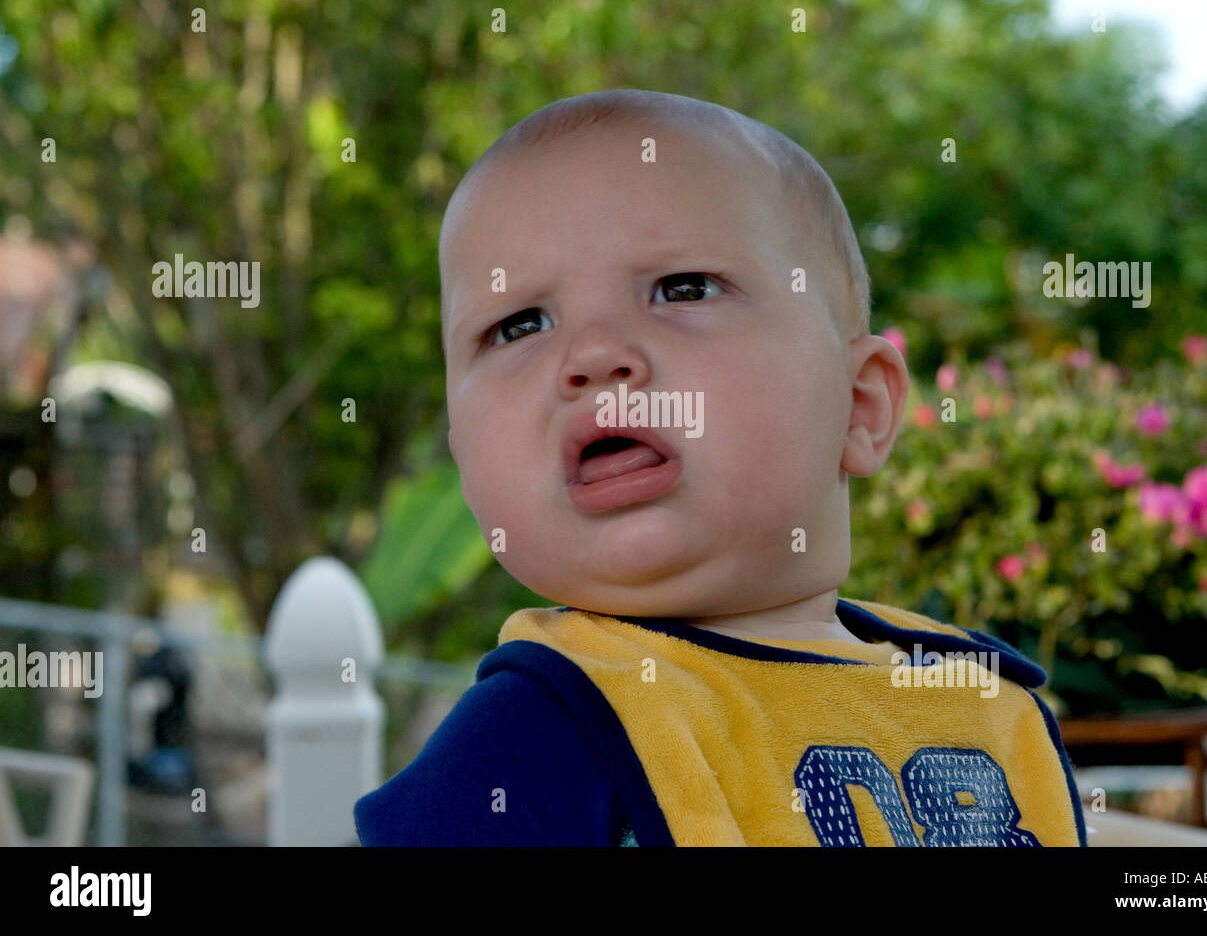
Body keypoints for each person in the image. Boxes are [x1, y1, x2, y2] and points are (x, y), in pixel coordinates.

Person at [354, 89, 1086, 846]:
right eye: (518, 325)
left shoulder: (983, 703)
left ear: (859, 407)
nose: (594, 355)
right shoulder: (548, 726)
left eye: (682, 289)